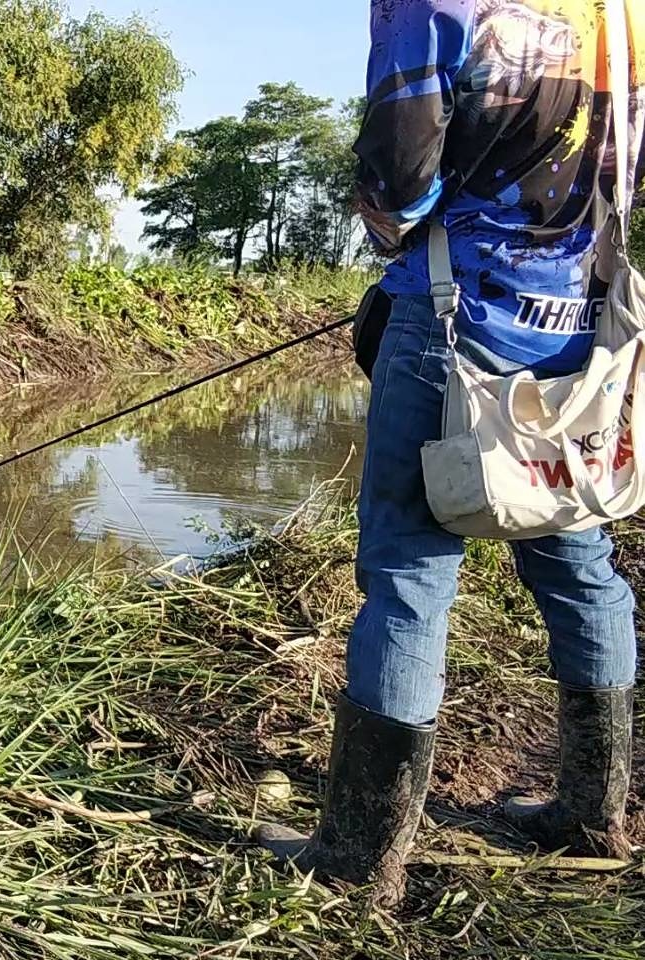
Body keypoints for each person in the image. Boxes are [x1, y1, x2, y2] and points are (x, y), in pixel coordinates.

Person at [256, 0, 643, 906]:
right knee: (582, 560)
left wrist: (397, 233)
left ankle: (360, 859)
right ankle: (594, 814)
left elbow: (399, 183)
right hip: (581, 332)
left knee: (408, 571)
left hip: (451, 319)